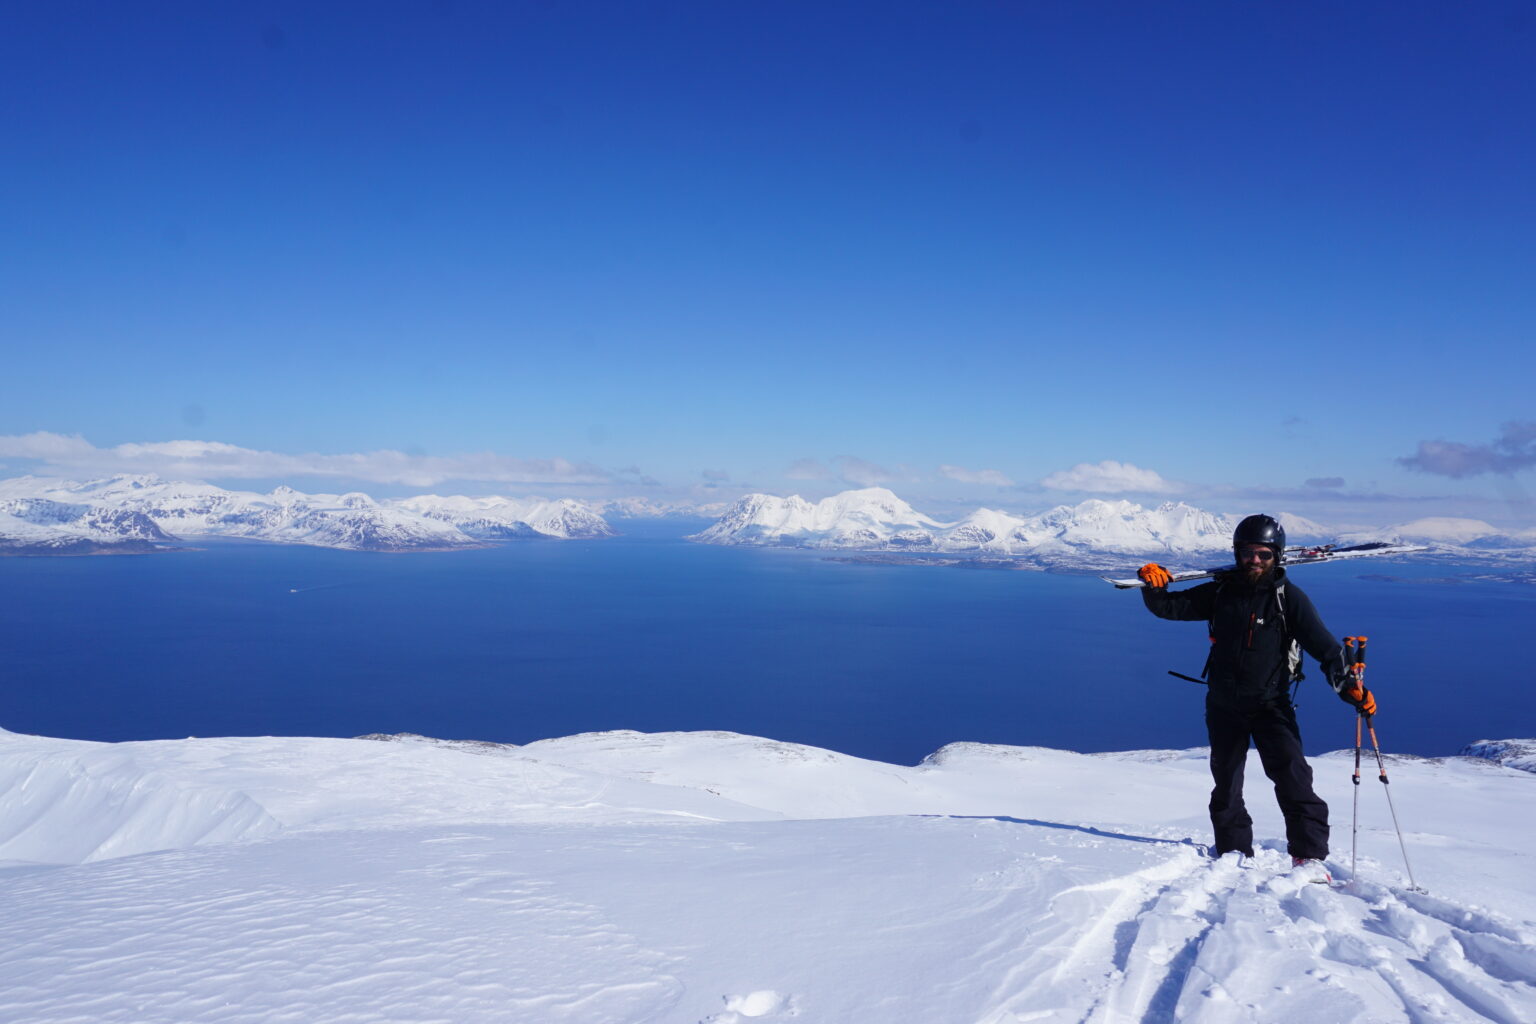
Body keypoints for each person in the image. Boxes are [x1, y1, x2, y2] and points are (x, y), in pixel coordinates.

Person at [1137, 514, 1375, 874]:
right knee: (1227, 782)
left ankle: (1308, 857)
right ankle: (1233, 852)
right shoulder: (1220, 592)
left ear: (1277, 556)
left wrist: (1349, 689)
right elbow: (1170, 608)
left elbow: (1326, 650)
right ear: (1237, 553)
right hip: (1223, 704)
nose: (1255, 561)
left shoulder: (1288, 599)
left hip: (1270, 705)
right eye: (1247, 553)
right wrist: (1152, 585)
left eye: (1263, 554)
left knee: (1294, 778)